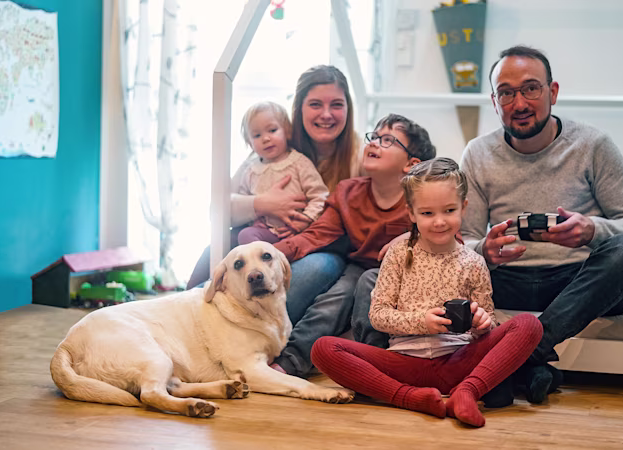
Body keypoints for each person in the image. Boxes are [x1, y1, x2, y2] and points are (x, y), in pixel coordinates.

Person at [457, 45, 623, 405]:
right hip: (507, 280)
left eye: (531, 88)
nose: (519, 103)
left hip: (576, 282)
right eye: (506, 92)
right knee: (442, 263)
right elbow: (465, 238)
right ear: (494, 100)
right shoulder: (477, 153)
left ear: (553, 92)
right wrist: (481, 249)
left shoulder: (593, 145)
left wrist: (591, 230)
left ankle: (522, 353)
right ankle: (532, 366)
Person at [311, 158, 543, 428]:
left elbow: (487, 322)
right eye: (427, 213)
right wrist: (422, 322)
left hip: (460, 360)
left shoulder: (474, 262)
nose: (440, 222)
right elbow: (378, 315)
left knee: (529, 324)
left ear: (463, 207)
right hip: (404, 362)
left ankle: (466, 392)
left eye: (449, 210)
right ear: (411, 213)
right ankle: (410, 398)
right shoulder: (399, 254)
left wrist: (482, 323)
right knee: (324, 348)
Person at [186, 65, 362, 330]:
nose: (326, 114)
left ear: (348, 108)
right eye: (315, 104)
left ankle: (241, 329)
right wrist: (262, 204)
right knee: (221, 246)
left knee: (318, 267)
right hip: (265, 235)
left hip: (319, 248)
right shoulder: (271, 146)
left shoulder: (358, 155)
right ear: (298, 109)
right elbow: (218, 210)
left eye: (336, 104)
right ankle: (187, 309)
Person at [270, 113, 437, 378]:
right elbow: (316, 234)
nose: (373, 144)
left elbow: (449, 241)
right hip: (358, 268)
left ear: (411, 164)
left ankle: (374, 361)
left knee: (368, 286)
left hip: (407, 277)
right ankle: (289, 362)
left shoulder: (424, 200)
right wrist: (272, 252)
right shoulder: (348, 192)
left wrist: (410, 240)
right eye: (373, 137)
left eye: (387, 140)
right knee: (333, 301)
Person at [234, 101, 329, 245]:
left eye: (272, 130)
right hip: (266, 233)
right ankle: (263, 265)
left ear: (287, 131)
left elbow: (320, 196)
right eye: (257, 135)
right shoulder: (250, 170)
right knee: (245, 235)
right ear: (249, 143)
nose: (266, 138)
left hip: (297, 232)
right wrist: (255, 221)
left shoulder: (299, 163)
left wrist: (305, 220)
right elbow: (244, 203)